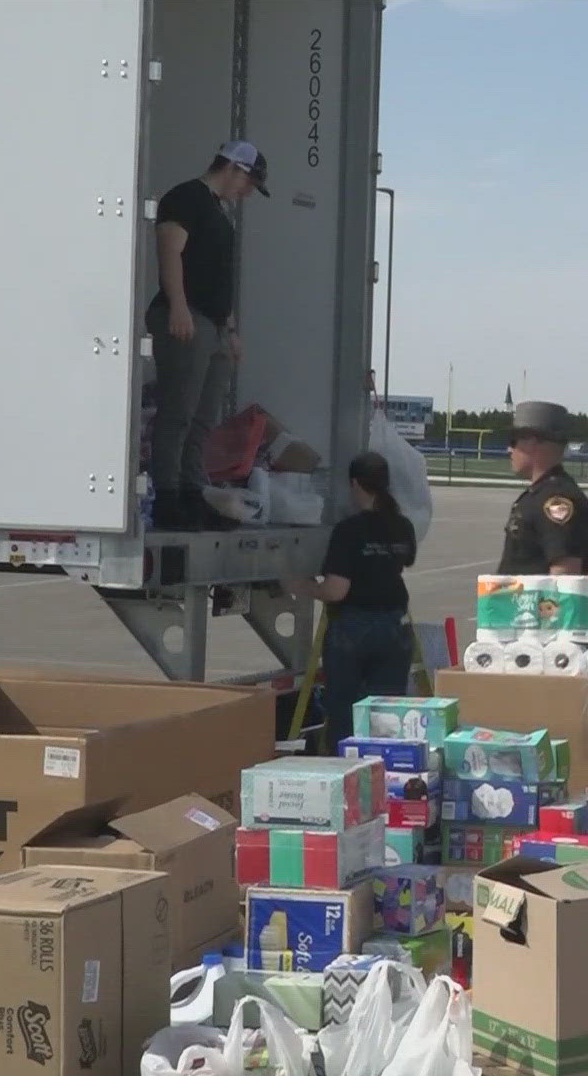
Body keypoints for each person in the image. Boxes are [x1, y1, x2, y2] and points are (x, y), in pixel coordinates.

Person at [145, 140, 270, 531]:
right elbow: (170, 253)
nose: (247, 192)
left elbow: (219, 277)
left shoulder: (218, 211)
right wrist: (178, 306)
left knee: (203, 417)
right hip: (188, 317)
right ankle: (167, 497)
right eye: (249, 183)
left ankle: (193, 492)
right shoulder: (186, 198)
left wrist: (229, 329)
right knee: (178, 412)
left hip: (214, 324)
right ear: (233, 168)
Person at [296, 452, 417, 755]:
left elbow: (336, 590)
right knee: (386, 718)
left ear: (354, 484)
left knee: (346, 717)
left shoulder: (349, 530)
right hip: (394, 627)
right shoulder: (403, 525)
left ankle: (348, 777)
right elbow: (406, 561)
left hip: (354, 627)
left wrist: (301, 585)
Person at [498, 402, 588, 574]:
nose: (509, 449)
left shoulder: (556, 500)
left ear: (532, 442)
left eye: (513, 442)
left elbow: (564, 579)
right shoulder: (540, 494)